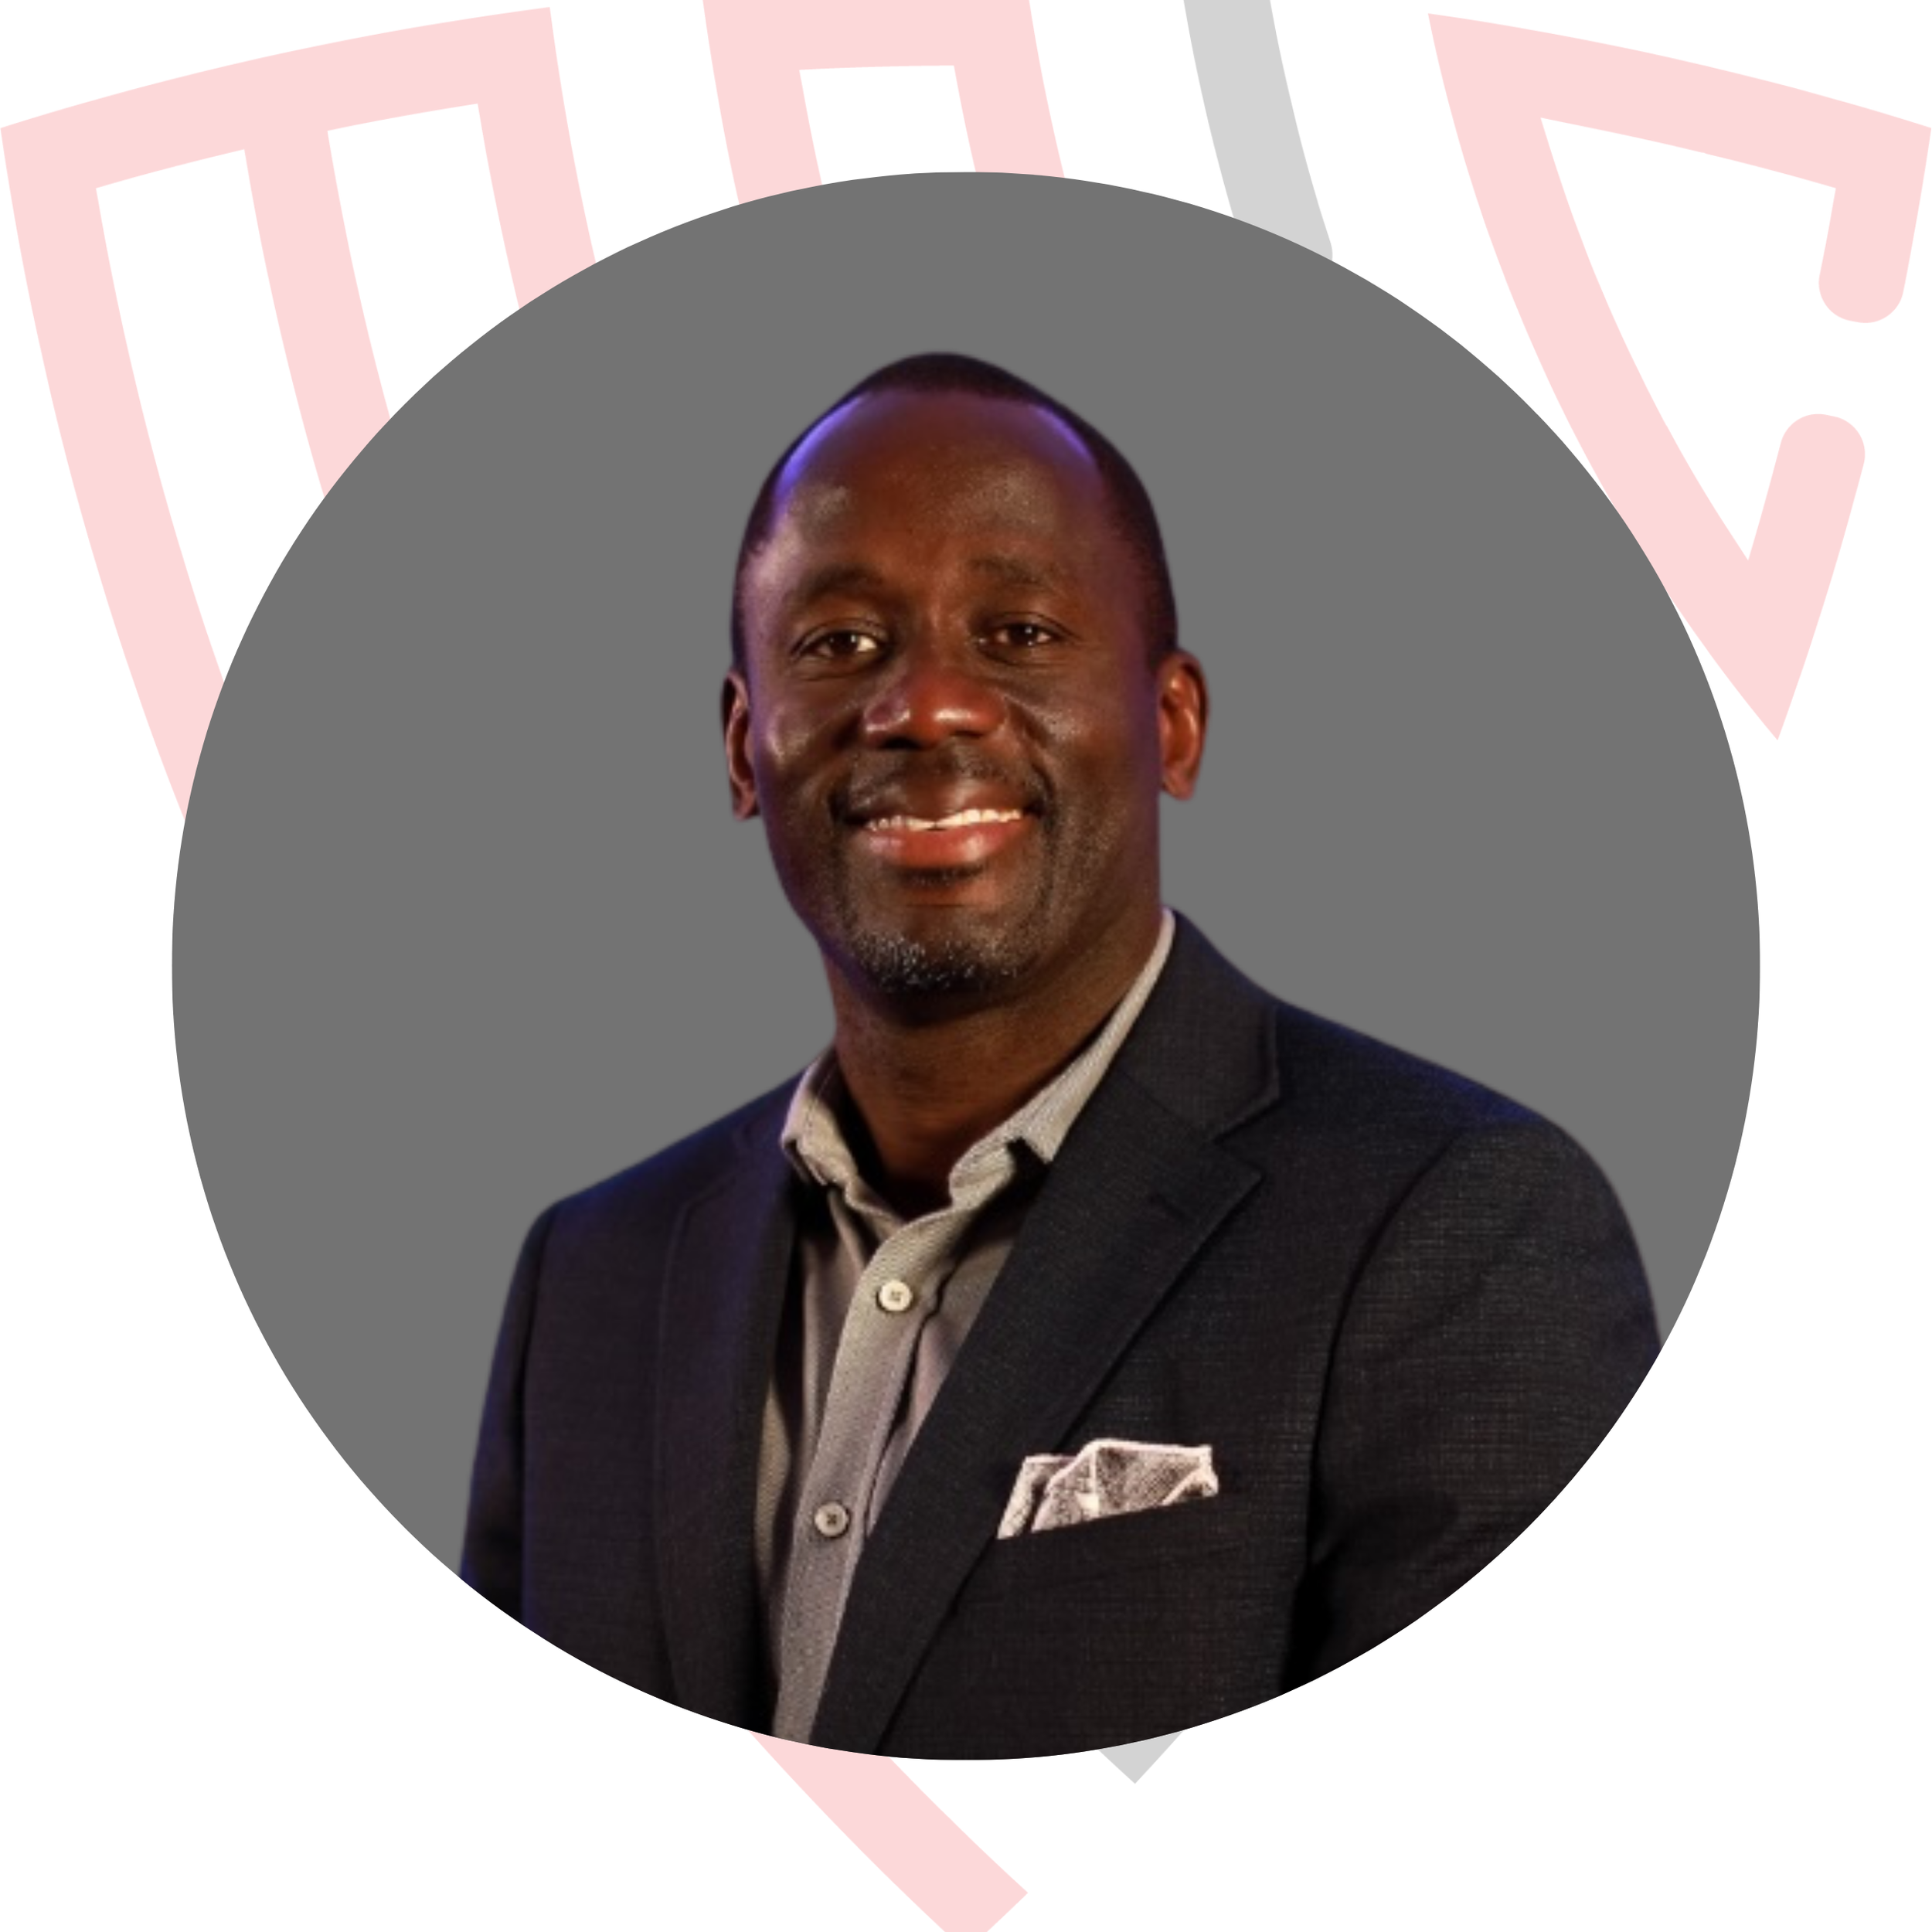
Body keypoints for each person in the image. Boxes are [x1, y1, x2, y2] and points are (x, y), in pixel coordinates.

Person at [460, 352, 1659, 1757]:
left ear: (1173, 724)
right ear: (742, 748)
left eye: (1020, 633)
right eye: (841, 643)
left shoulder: (1460, 1229)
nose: (927, 706)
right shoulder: (591, 1279)